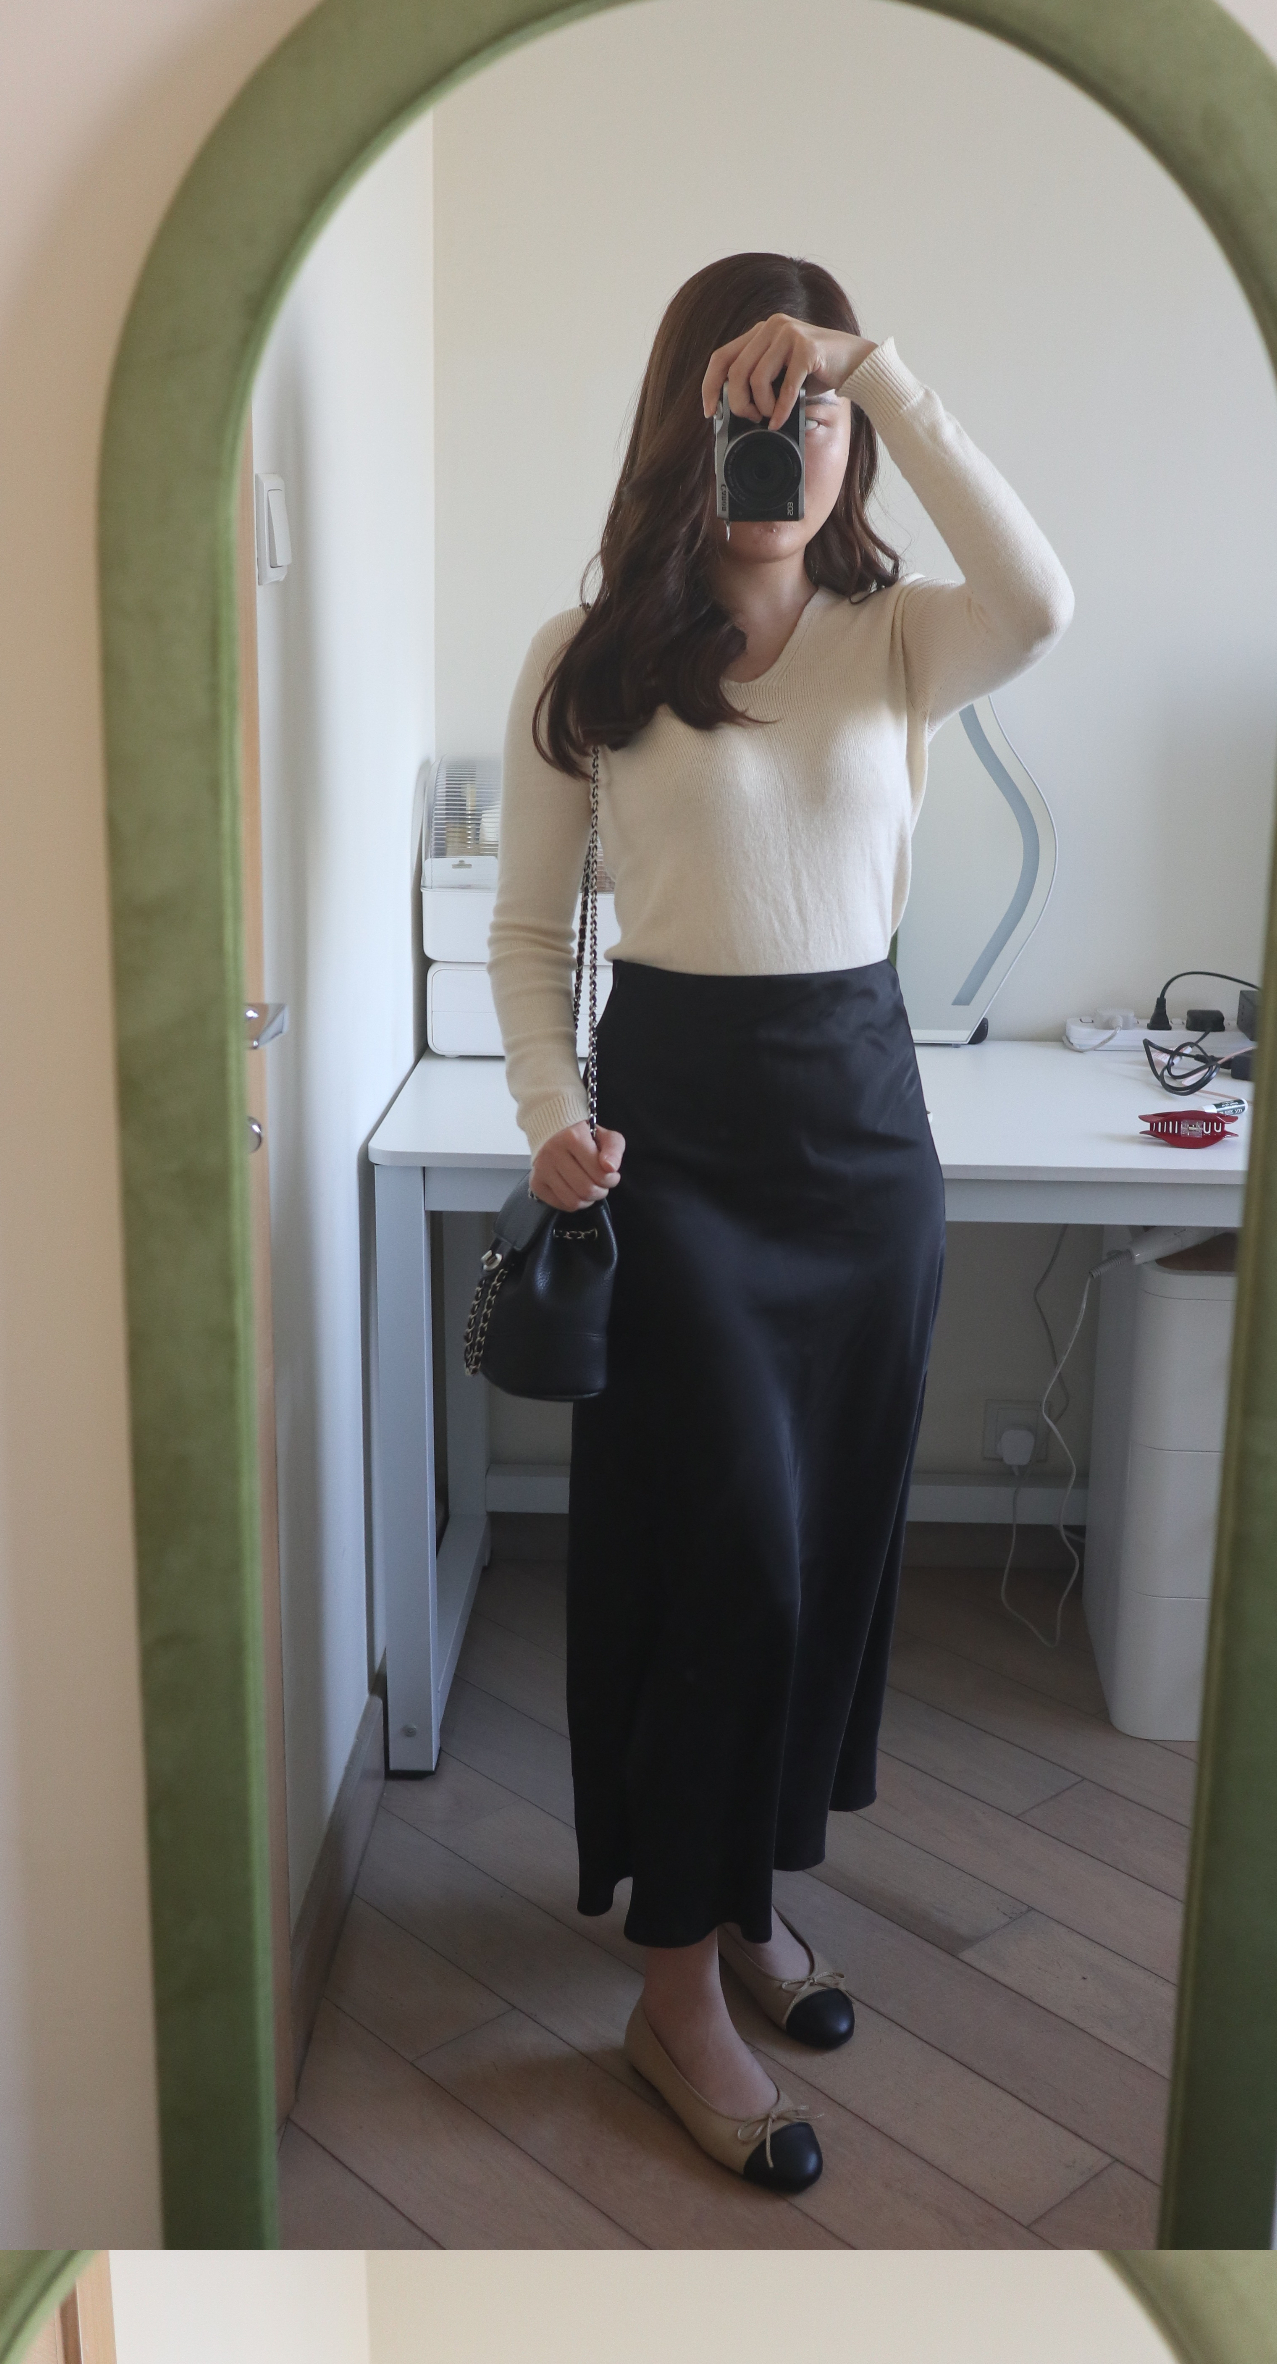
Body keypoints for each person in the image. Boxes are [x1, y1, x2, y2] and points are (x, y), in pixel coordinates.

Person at [488, 257, 1074, 2194]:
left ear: (853, 434)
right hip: (676, 1155)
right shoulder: (590, 659)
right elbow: (526, 934)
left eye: (811, 407)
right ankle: (674, 1994)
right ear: (685, 428)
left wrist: (876, 364)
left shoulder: (905, 640)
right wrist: (553, 1123)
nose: (788, 439)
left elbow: (1048, 601)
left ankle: (740, 1904)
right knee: (720, 1554)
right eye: (749, 403)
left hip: (863, 1146)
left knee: (819, 1562)